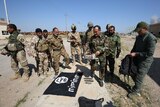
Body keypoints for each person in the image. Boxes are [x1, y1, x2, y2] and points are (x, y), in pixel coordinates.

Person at [127, 21, 157, 98]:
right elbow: (135, 47)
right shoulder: (138, 37)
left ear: (145, 29)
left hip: (145, 61)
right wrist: (131, 55)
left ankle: (136, 92)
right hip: (136, 58)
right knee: (133, 72)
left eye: (139, 30)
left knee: (139, 76)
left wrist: (136, 54)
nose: (138, 32)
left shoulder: (151, 38)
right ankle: (137, 86)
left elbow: (149, 53)